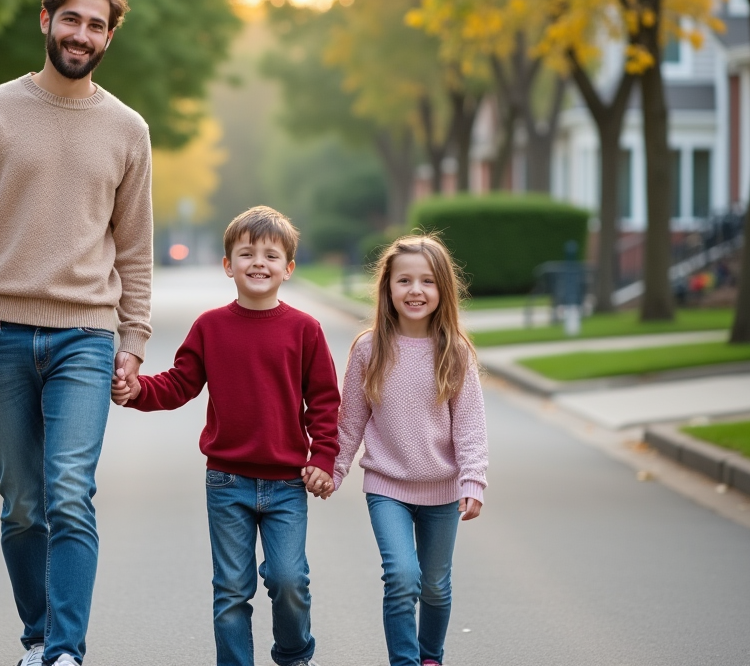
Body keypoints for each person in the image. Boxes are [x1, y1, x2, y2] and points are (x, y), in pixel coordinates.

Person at [0, 0, 153, 666]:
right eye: (72, 19)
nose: (82, 34)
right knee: (23, 502)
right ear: (46, 20)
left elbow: (135, 248)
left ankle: (64, 651)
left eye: (96, 25)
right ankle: (36, 635)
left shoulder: (128, 129)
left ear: (109, 37)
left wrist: (134, 339)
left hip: (85, 337)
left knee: (69, 493)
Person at [111, 206, 340, 666]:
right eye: (246, 253)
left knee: (288, 580)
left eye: (271, 255)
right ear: (227, 265)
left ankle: (294, 654)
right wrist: (137, 391)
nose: (259, 262)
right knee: (232, 590)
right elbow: (179, 384)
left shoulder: (305, 331)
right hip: (227, 482)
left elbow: (325, 403)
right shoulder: (210, 327)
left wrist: (324, 458)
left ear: (288, 269)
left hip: (288, 484)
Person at [332, 233, 488, 666]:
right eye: (404, 281)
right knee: (402, 577)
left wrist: (473, 478)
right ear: (388, 288)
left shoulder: (454, 352)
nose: (415, 291)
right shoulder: (369, 349)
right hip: (387, 487)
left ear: (443, 290)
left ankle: (430, 657)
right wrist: (335, 467)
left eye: (426, 282)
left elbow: (471, 425)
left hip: (442, 488)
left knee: (436, 584)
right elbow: (351, 419)